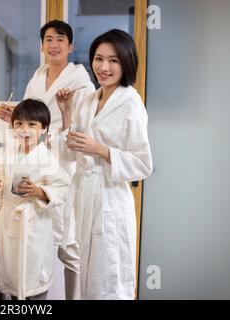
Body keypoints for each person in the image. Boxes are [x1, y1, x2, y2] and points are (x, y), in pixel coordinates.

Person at [0, 20, 95, 300]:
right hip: (34, 161)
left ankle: (73, 298)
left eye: (60, 39)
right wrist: (13, 119)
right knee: (38, 239)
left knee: (67, 241)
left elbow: (82, 127)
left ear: (70, 46)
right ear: (41, 46)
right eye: (48, 39)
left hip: (62, 162)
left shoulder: (80, 81)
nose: (53, 45)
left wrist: (58, 126)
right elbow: (30, 119)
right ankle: (30, 294)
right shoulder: (37, 77)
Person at [56, 29, 153, 299]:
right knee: (88, 280)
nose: (103, 67)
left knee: (110, 279)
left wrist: (100, 150)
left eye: (113, 60)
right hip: (85, 198)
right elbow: (70, 152)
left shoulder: (131, 103)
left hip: (110, 202)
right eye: (98, 59)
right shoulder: (89, 100)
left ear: (126, 62)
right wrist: (66, 114)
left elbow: (143, 164)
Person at [0, 99, 70, 300]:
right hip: (9, 224)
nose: (24, 129)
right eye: (19, 124)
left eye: (32, 124)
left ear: (43, 129)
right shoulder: (6, 155)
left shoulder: (48, 158)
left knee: (33, 281)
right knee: (14, 280)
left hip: (33, 225)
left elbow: (63, 187)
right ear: (13, 127)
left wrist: (40, 192)